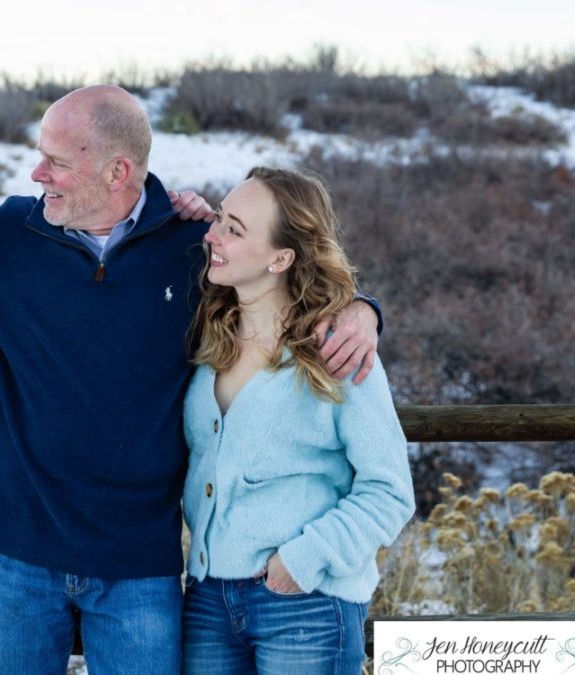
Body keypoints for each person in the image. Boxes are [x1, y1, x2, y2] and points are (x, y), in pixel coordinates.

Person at [0, 85, 383, 674]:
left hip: (138, 564)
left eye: (56, 162)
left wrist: (360, 307)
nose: (36, 174)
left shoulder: (199, 250)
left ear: (117, 173)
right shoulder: (7, 236)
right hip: (15, 558)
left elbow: (286, 268)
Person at [182, 167, 414, 675]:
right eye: (219, 217)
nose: (213, 236)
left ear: (280, 258)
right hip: (206, 601)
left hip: (305, 602)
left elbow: (391, 490)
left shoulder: (337, 352)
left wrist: (304, 560)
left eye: (234, 230)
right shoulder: (207, 339)